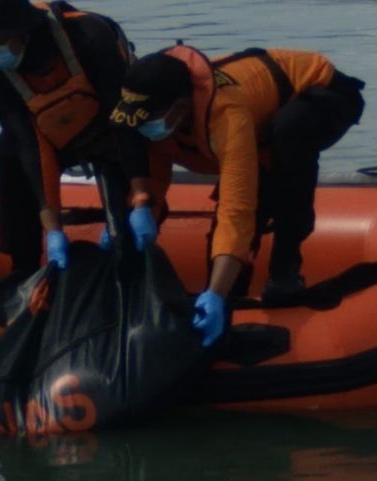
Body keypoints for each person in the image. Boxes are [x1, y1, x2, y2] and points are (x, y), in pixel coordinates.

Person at [111, 43, 365, 345]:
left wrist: (215, 294)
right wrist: (131, 226)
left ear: (181, 106)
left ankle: (286, 269)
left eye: (147, 118)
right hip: (263, 122)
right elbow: (152, 183)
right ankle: (234, 294)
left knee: (289, 138)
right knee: (226, 244)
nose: (143, 126)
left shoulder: (228, 115)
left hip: (322, 94)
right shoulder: (157, 121)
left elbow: (236, 207)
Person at [0, 0, 157, 275]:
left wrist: (141, 196)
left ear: (21, 30)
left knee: (125, 236)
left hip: (111, 131)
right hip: (52, 138)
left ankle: (126, 252)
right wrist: (53, 228)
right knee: (8, 149)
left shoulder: (89, 37)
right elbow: (30, 147)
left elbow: (123, 118)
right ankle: (23, 266)